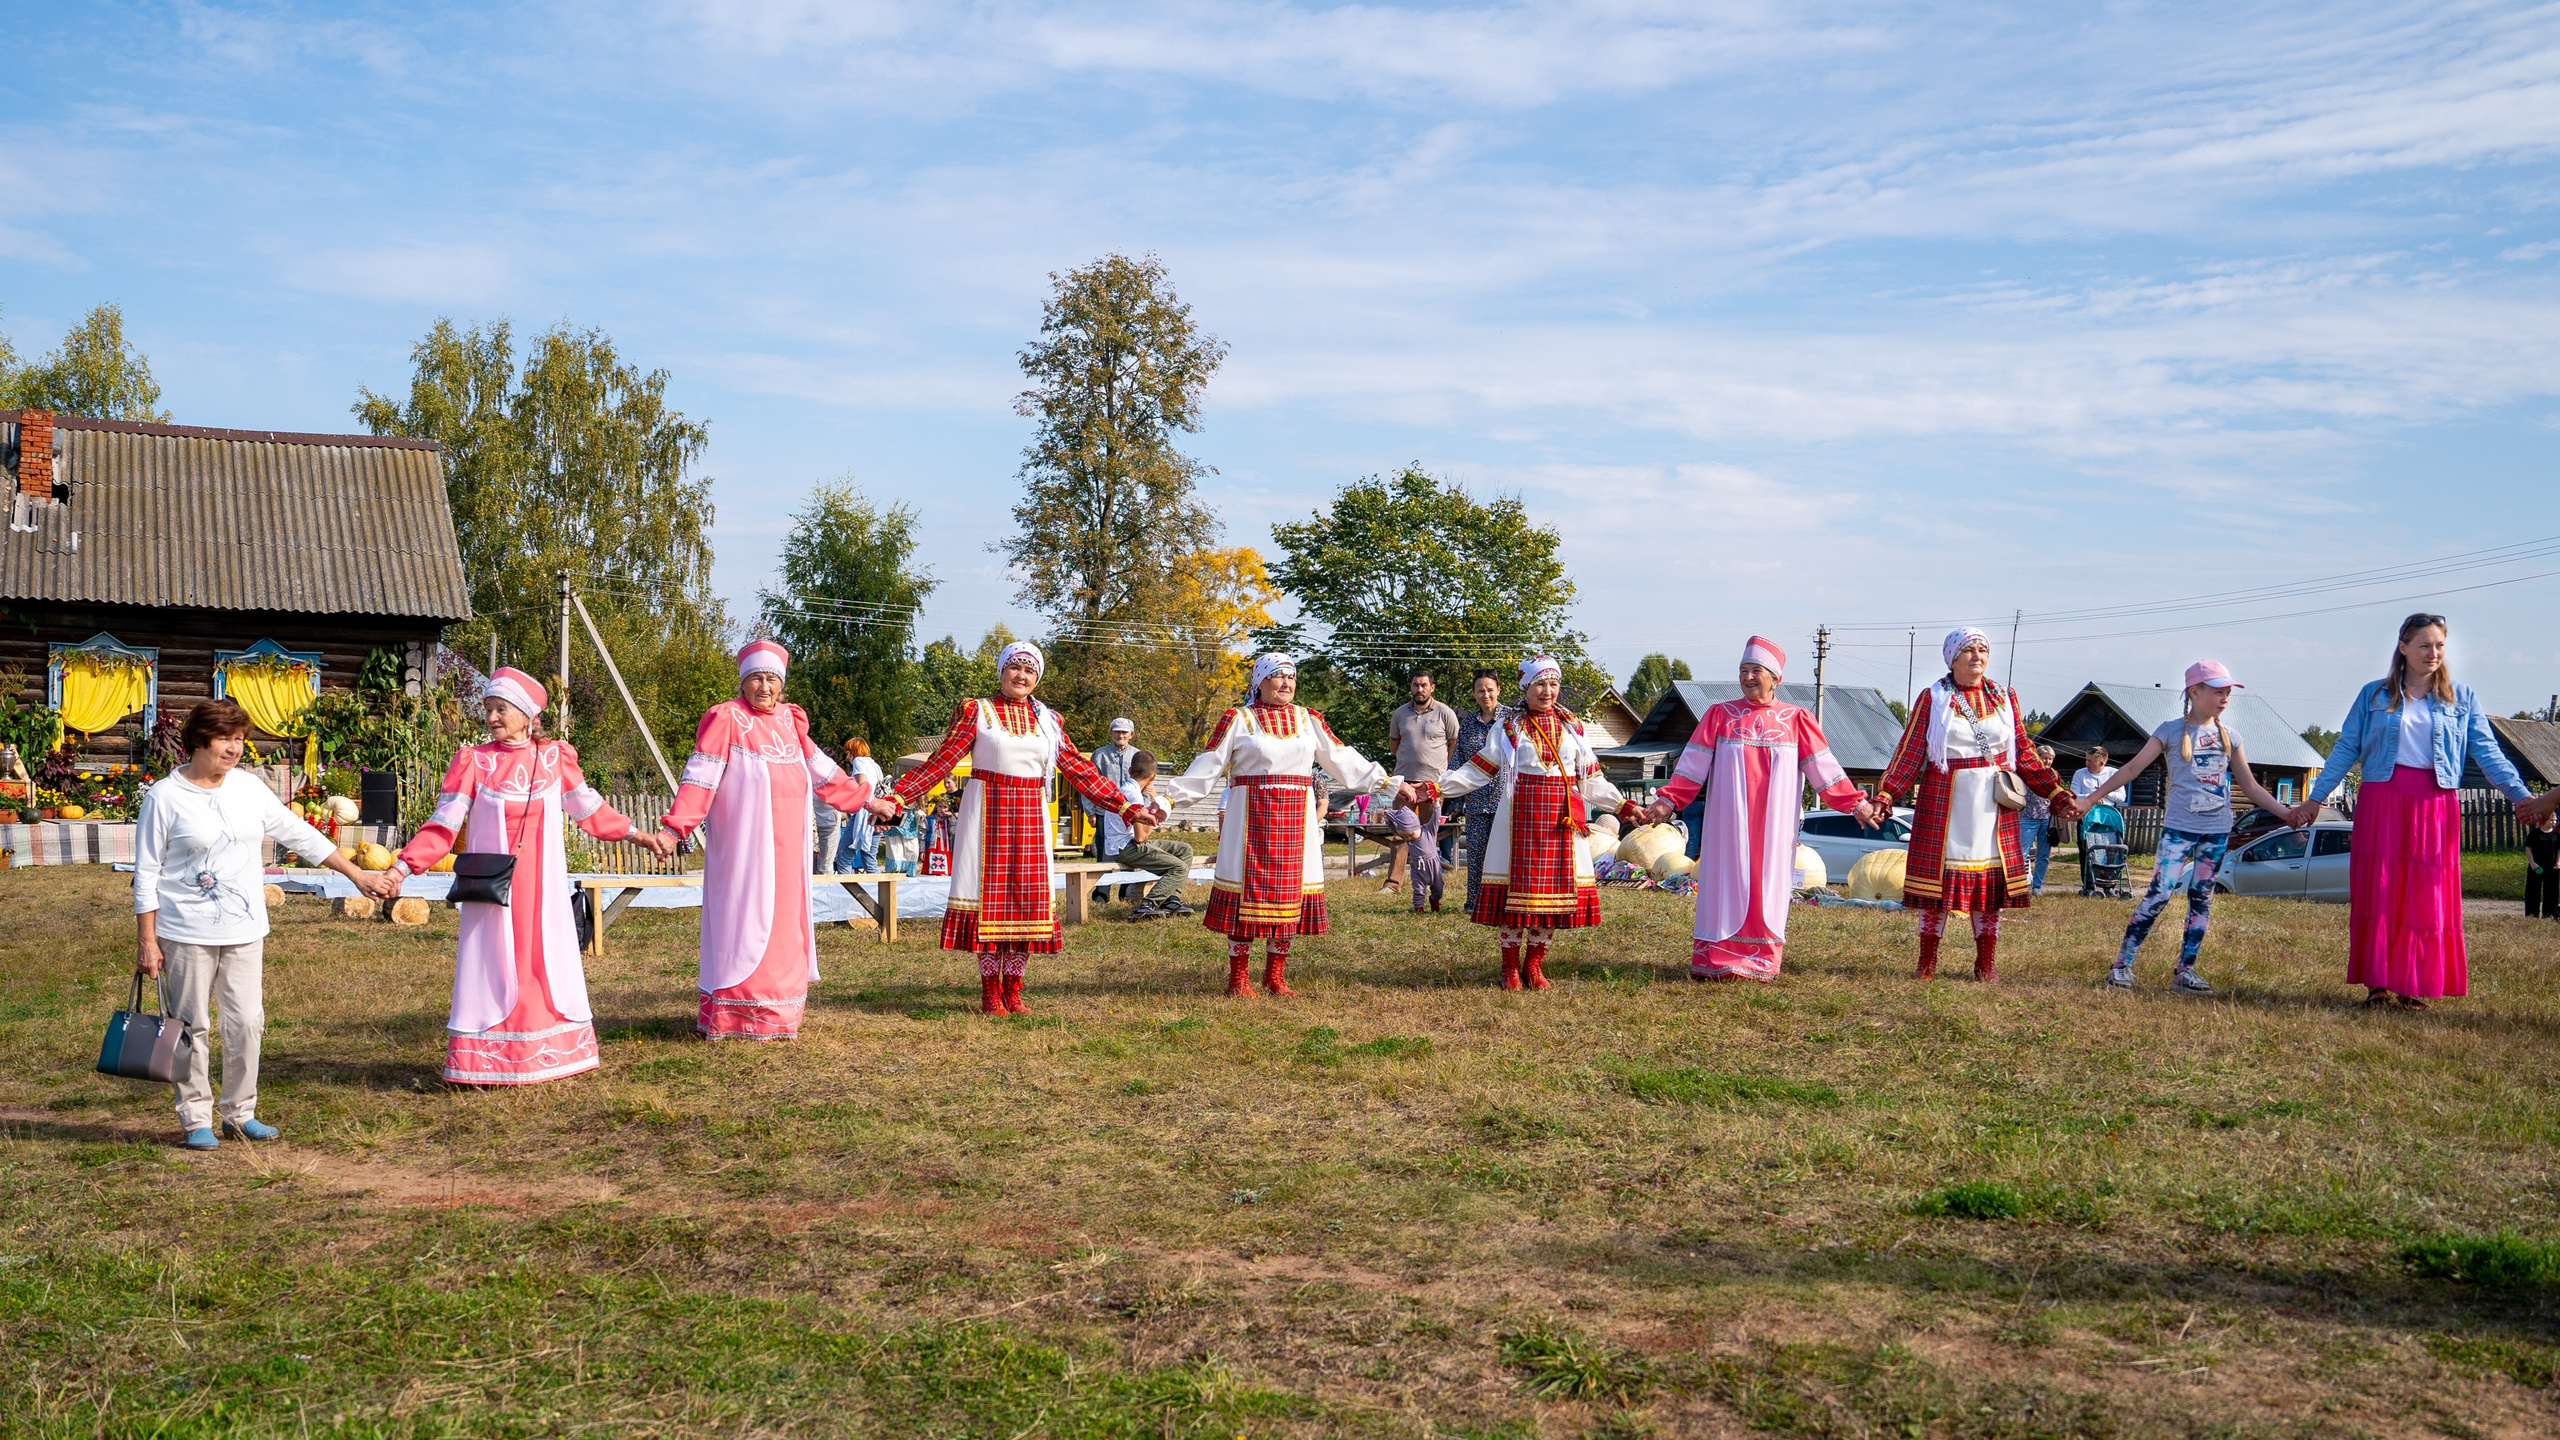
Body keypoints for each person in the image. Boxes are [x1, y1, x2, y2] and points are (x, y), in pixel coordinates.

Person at [134, 699, 394, 1149]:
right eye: (225, 739)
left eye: (240, 740)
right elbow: (147, 873)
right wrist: (147, 941)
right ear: (199, 740)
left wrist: (357, 874)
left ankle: (240, 1113)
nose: (235, 749)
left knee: (247, 1022)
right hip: (186, 932)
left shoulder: (249, 789)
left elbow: (300, 834)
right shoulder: (164, 797)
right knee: (191, 1025)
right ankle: (196, 1119)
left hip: (245, 930)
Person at [874, 641, 1158, 1015]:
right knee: (990, 902)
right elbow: (942, 761)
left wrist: (1126, 806)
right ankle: (991, 991)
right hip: (986, 814)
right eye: (1015, 668)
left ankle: (1015, 989)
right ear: (1002, 671)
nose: (1021, 676)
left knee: (1025, 901)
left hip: (1031, 815)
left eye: (1029, 670)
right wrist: (897, 796)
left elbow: (1078, 768)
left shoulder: (1048, 720)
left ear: (1036, 678)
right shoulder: (977, 711)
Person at [392, 669, 641, 1084]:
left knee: (541, 959)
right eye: (487, 708)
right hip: (493, 890)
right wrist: (403, 866)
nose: (491, 717)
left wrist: (639, 835)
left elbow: (589, 810)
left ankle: (548, 1052)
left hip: (542, 889)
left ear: (527, 715)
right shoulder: (475, 761)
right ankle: (488, 1058)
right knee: (495, 961)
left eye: (500, 708)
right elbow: (443, 825)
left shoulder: (555, 757)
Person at [2293, 614, 2548, 1009]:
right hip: (2382, 799)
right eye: (2424, 645)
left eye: (2440, 646)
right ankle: (2378, 983)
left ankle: (2412, 983)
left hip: (2434, 803)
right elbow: (2346, 748)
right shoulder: (2373, 695)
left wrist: (2522, 797)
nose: (2433, 653)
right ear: (2403, 647)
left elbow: (2488, 754)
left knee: (2425, 895)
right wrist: (2315, 797)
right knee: (2379, 890)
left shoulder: (2461, 698)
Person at [649, 642, 875, 1040]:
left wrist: (869, 801)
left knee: (785, 925)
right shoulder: (727, 718)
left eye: (772, 679)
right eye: (756, 678)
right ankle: (735, 1013)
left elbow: (824, 772)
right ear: (743, 681)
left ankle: (779, 1013)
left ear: (782, 684)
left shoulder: (792, 721)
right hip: (745, 849)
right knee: (744, 920)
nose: (764, 687)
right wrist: (674, 829)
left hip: (790, 851)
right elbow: (700, 777)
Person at [1157, 653, 1414, 997]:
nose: (1286, 683)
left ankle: (1275, 976)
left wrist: (1390, 783)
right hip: (1250, 820)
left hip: (1297, 820)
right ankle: (1239, 978)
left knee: (1290, 895)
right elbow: (1207, 765)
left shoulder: (1309, 720)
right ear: (1259, 682)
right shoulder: (1238, 718)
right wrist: (1168, 800)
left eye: (1291, 677)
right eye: (1278, 676)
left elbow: (1342, 758)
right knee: (1245, 894)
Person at [1640, 638, 1884, 982]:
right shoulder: (1719, 715)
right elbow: (1692, 765)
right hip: (1728, 821)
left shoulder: (1797, 719)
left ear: (1775, 678)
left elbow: (1824, 769)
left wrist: (1856, 804)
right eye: (1743, 671)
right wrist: (1667, 802)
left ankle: (1759, 961)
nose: (1749, 677)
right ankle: (1716, 960)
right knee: (1725, 880)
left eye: (1756, 671)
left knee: (1766, 882)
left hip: (1775, 824)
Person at [2079, 662, 2299, 994]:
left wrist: (2287, 813)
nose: (2225, 697)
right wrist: (2089, 800)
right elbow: (2131, 769)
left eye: (2227, 692)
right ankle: (2121, 966)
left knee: (2202, 899)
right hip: (2178, 830)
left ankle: (2185, 971)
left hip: (2216, 832)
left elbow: (2251, 788)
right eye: (2217, 691)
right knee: (2160, 893)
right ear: (2194, 692)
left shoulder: (2231, 738)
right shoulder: (2168, 732)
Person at [1421, 656, 1635, 991]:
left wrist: (1622, 805)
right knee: (1513, 896)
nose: (1547, 691)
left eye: (1553, 684)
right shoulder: (1509, 726)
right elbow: (1478, 769)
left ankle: (1534, 965)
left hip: (1559, 822)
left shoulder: (1572, 727)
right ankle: (1509, 967)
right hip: (1519, 818)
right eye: (1540, 684)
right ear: (1525, 687)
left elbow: (1591, 779)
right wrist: (1438, 787)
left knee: (1551, 898)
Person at [1876, 629, 2078, 983]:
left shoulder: (2004, 697)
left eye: (1983, 649)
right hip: (1946, 800)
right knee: (1936, 889)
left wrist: (2056, 794)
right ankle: (1927, 962)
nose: (1977, 656)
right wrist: (1887, 794)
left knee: (1990, 889)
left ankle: (1985, 963)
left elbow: (2025, 753)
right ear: (1952, 658)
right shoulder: (1934, 698)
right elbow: (1909, 752)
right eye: (1968, 650)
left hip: (1993, 804)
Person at [1384, 672, 1462, 891]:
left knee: (1428, 836)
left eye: (1424, 685)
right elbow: (1394, 746)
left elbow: (1454, 744)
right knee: (1400, 834)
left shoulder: (1445, 713)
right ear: (1411, 686)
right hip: (1404, 783)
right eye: (1416, 685)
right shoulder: (1400, 713)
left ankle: (1429, 881)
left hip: (1432, 786)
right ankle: (1393, 884)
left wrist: (1441, 772)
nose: (1420, 689)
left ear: (1432, 687)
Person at [1099, 750, 1196, 919]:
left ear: (1130, 771)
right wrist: (1154, 817)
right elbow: (1141, 837)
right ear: (1153, 777)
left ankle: (1171, 899)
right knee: (1178, 867)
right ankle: (1147, 905)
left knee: (1184, 850)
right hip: (1125, 847)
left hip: (1126, 844)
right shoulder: (1134, 796)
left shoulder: (1127, 788)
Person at [1449, 668, 1512, 914]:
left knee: (1505, 854)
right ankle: (1474, 903)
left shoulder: (1512, 719)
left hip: (1507, 799)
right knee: (1476, 854)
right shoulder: (1467, 725)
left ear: (1498, 690)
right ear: (1474, 694)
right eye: (1480, 690)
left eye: (1490, 690)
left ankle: (1507, 902)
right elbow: (1459, 761)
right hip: (1476, 800)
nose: (1485, 694)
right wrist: (1444, 786)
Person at [831, 738, 886, 873]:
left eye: (848, 753)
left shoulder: (858, 761)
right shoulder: (874, 764)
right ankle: (877, 891)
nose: (847, 757)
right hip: (877, 814)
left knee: (844, 857)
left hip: (863, 813)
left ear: (852, 751)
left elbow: (863, 785)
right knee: (869, 858)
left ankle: (848, 891)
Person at [2071, 745, 2119, 896]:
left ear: (2102, 762)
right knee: (2086, 850)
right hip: (2087, 817)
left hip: (2107, 818)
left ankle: (2109, 885)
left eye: (2091, 761)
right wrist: (2092, 796)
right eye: (2086, 760)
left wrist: (2104, 793)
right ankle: (2088, 884)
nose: (2087, 764)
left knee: (2109, 851)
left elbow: (2121, 796)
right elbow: (2074, 795)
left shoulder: (2113, 773)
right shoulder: (2080, 774)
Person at [1386, 799, 1446, 912]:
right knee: (1418, 889)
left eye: (1411, 835)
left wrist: (1437, 805)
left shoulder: (1429, 830)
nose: (1408, 838)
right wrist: (1387, 818)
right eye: (1406, 836)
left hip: (1433, 866)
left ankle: (1434, 900)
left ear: (1416, 826)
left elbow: (1436, 819)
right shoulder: (1408, 837)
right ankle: (1418, 908)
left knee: (1438, 888)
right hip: (1417, 868)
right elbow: (1394, 828)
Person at [2021, 744, 2058, 895]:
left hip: (2047, 818)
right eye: (2045, 758)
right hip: (2028, 816)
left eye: (2050, 759)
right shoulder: (2028, 773)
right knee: (2022, 853)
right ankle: (2018, 885)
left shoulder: (2054, 775)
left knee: (2043, 854)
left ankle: (2037, 887)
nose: (2048, 762)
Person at [2527, 810, 2559, 920]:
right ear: (2544, 821)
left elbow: (2559, 850)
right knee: (2533, 890)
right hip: (2536, 866)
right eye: (2551, 820)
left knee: (2551, 890)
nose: (2554, 822)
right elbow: (2528, 848)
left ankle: (2549, 914)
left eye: (2555, 820)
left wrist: (2558, 862)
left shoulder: (2556, 835)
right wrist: (2532, 863)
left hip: (2552, 866)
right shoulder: (2535, 834)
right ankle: (2532, 914)